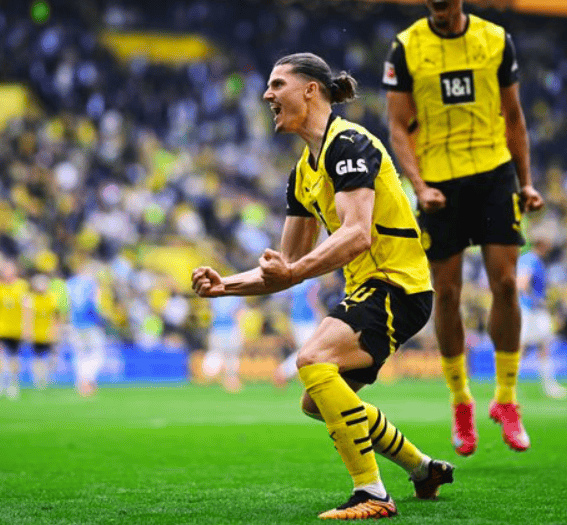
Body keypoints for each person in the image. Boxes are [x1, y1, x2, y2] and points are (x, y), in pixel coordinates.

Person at [192, 53, 454, 520]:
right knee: (317, 401)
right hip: (370, 290)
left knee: (312, 359)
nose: (267, 95)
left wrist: (291, 273)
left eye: (277, 84)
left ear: (310, 90)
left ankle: (372, 493)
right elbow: (286, 265)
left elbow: (357, 234)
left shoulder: (349, 143)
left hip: (397, 285)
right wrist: (223, 286)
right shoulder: (302, 173)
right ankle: (422, 469)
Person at [383, 0, 544, 455]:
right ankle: (460, 402)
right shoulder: (406, 46)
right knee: (447, 294)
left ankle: (507, 398)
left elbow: (514, 117)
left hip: (494, 173)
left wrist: (526, 182)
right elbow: (397, 127)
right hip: (440, 182)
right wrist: (418, 186)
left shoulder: (495, 40)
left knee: (505, 283)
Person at [516, 233, 567, 400]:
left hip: (533, 310)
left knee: (543, 346)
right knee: (522, 347)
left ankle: (549, 386)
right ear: (541, 243)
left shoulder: (534, 259)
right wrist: (535, 300)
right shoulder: (531, 259)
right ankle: (509, 386)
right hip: (530, 310)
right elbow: (522, 284)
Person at [0, 260, 32, 399]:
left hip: (15, 327)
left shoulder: (22, 286)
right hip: (0, 326)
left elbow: (27, 308)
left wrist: (27, 327)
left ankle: (13, 384)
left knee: (14, 357)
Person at [273, 276, 324, 386]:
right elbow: (313, 300)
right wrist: (321, 316)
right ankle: (283, 371)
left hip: (295, 319)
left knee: (307, 350)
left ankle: (289, 372)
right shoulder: (312, 281)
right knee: (308, 351)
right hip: (308, 319)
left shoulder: (295, 281)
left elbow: (286, 301)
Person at [65, 263, 106, 397]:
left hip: (74, 325)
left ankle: (81, 382)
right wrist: (102, 320)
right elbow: (95, 305)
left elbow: (65, 305)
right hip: (90, 324)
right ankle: (89, 381)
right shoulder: (91, 284)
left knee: (80, 354)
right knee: (97, 354)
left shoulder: (69, 284)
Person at [203, 295, 247, 392]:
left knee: (231, 357)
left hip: (230, 329)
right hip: (219, 330)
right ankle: (223, 379)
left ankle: (230, 380)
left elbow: (240, 313)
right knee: (225, 357)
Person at [29, 274, 61, 390]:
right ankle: (39, 379)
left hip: (49, 333)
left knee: (52, 356)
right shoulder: (31, 299)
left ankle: (49, 377)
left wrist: (56, 330)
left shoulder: (52, 298)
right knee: (37, 357)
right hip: (36, 333)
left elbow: (56, 316)